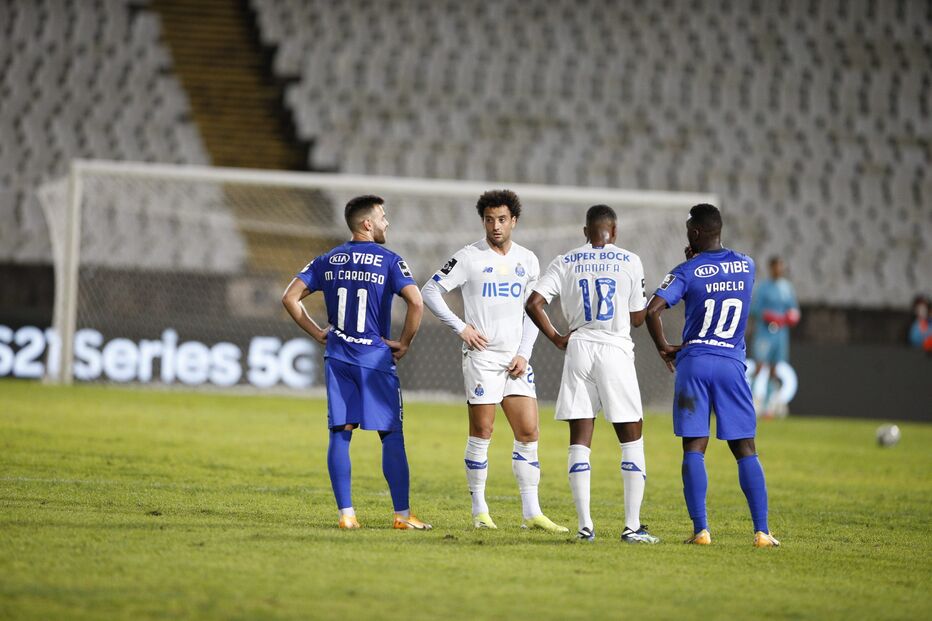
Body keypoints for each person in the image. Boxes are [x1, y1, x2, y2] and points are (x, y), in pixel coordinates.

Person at [421, 189, 567, 533]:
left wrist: (524, 352)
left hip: (515, 359)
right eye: (489, 220)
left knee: (528, 431)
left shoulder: (528, 260)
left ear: (514, 221)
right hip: (482, 357)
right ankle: (480, 511)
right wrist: (461, 328)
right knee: (483, 431)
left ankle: (532, 513)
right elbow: (429, 290)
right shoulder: (469, 257)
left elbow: (533, 311)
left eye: (501, 219)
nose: (495, 226)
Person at [282, 195, 431, 531]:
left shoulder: (327, 259)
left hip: (338, 357)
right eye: (383, 217)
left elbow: (289, 297)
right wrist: (405, 342)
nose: (386, 223)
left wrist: (317, 332)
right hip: (375, 358)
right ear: (367, 223)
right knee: (390, 435)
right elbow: (416, 303)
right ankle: (402, 516)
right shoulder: (390, 261)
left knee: (340, 433)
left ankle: (347, 516)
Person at [645, 203, 779, 548]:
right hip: (731, 364)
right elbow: (724, 279)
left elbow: (652, 310)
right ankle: (762, 532)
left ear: (694, 233)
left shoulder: (686, 270)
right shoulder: (747, 265)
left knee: (694, 446)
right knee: (745, 448)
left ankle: (701, 530)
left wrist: (664, 347)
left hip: (694, 363)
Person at [525, 205, 659, 544]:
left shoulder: (566, 260)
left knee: (580, 439)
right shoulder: (630, 260)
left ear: (586, 231)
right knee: (631, 438)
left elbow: (533, 303)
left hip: (579, 348)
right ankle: (631, 527)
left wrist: (557, 337)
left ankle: (585, 526)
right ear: (614, 232)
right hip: (614, 349)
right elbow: (638, 319)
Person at [749, 256, 801, 417]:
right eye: (777, 266)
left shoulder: (787, 287)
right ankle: (751, 401)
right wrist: (768, 315)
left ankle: (768, 405)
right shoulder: (763, 287)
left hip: (781, 334)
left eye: (781, 266)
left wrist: (792, 316)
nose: (779, 269)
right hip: (765, 333)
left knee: (774, 369)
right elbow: (754, 308)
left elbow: (793, 309)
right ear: (771, 268)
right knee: (759, 366)